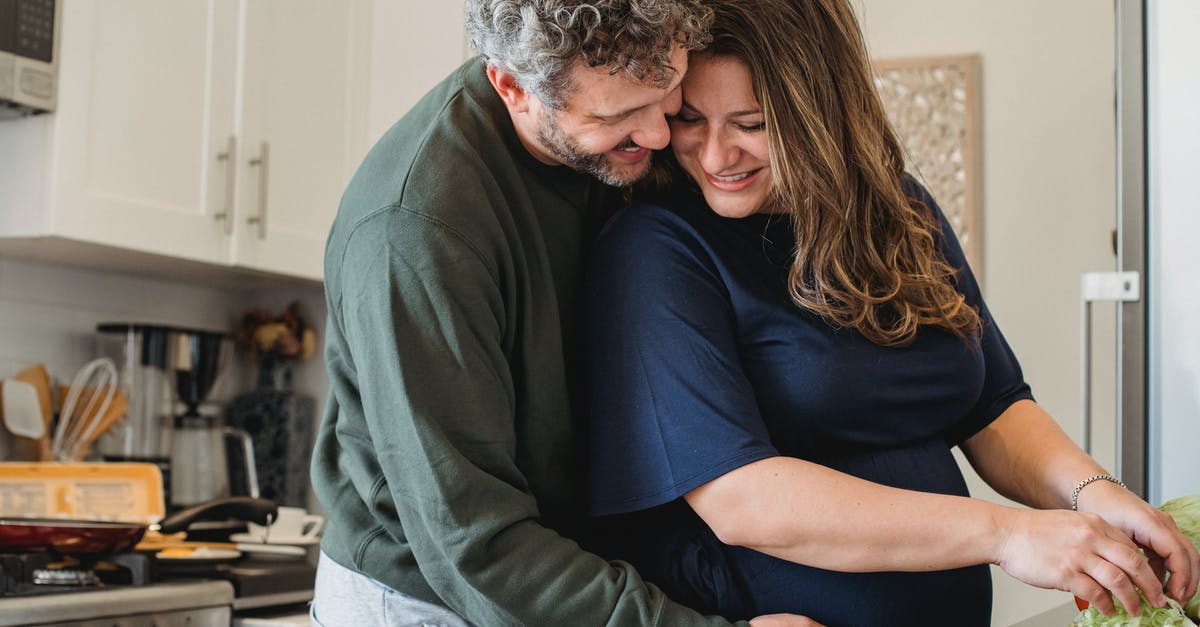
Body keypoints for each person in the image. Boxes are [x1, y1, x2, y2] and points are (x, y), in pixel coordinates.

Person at [585, 0, 1200, 625]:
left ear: (818, 115)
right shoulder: (657, 247)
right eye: (689, 120)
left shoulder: (898, 208)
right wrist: (1008, 535)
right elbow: (743, 500)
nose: (716, 156)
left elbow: (994, 405)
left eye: (751, 124)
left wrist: (1094, 493)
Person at [309, 1, 822, 625]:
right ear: (512, 87)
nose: (660, 136)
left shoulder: (617, 142)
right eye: (621, 115)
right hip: (437, 598)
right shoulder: (415, 234)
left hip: (572, 571)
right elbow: (474, 543)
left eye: (666, 97)